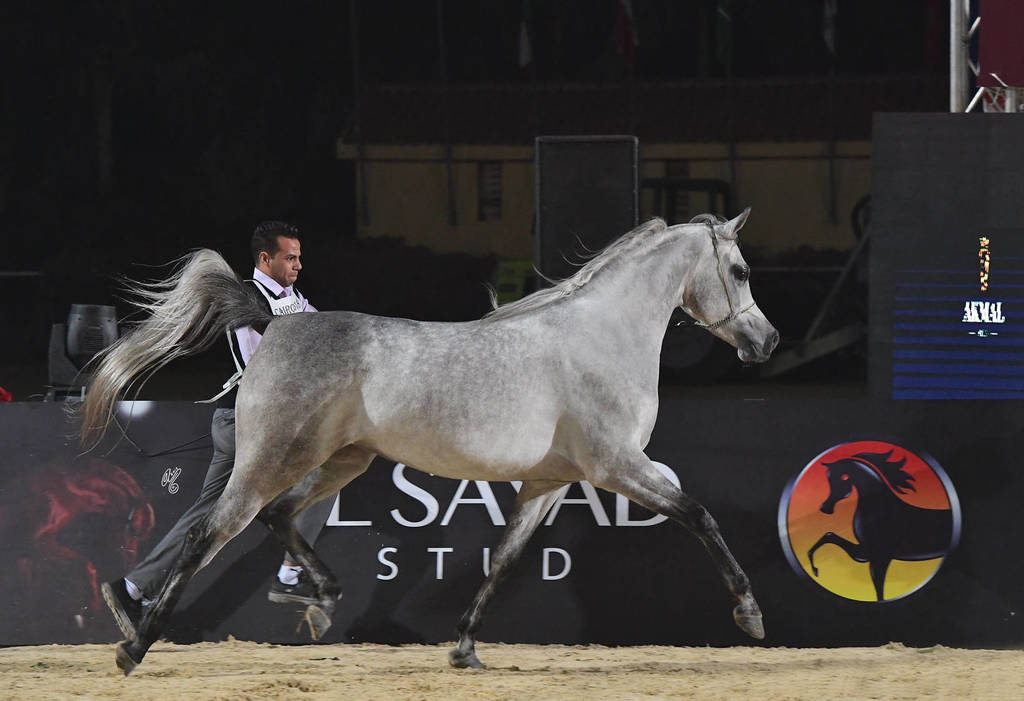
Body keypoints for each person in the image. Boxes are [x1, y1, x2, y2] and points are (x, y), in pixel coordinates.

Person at [101, 221, 334, 638]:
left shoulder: (296, 302)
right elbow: (257, 368)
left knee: (211, 515)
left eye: (299, 256)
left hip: (246, 423)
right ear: (266, 259)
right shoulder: (246, 300)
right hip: (249, 423)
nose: (299, 264)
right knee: (325, 474)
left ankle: (132, 589)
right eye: (290, 257)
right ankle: (291, 576)